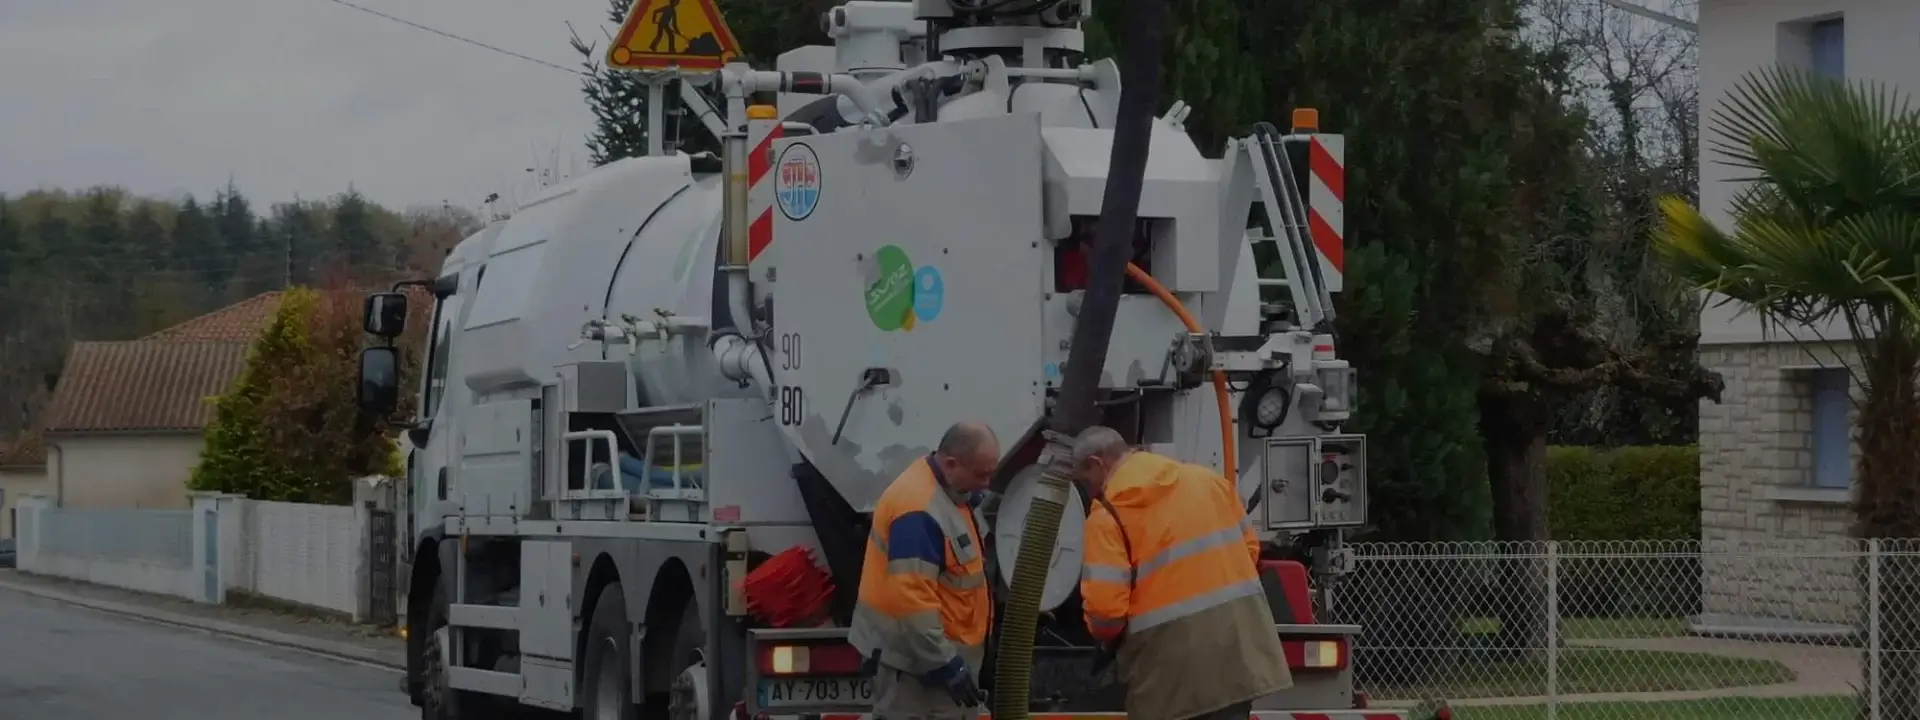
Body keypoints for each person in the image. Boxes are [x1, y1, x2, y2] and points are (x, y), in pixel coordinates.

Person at [1074, 425, 1291, 720]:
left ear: (1097, 463)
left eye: (1085, 479)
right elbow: (1249, 551)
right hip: (1236, 656)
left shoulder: (1107, 517)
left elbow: (1105, 615)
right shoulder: (1208, 481)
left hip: (1167, 676)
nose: (1089, 490)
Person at [849, 421, 1000, 719]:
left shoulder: (948, 493)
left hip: (928, 668)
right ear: (951, 463)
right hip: (918, 675)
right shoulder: (918, 511)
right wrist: (948, 664)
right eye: (981, 474)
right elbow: (912, 601)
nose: (987, 482)